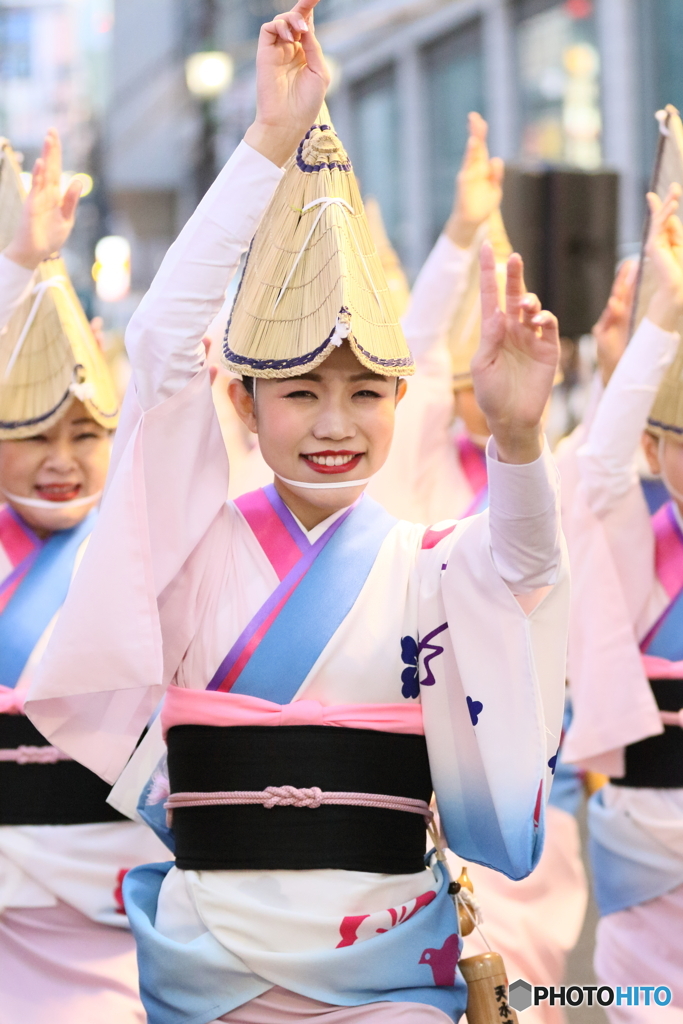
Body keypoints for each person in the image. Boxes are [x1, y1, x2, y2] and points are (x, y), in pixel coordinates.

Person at [27, 3, 569, 1022]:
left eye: (366, 392)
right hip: (208, 967)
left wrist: (517, 440)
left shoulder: (434, 560)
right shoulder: (186, 550)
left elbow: (530, 567)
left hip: (389, 963)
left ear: (399, 403)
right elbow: (157, 343)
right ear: (240, 399)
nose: (335, 421)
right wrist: (267, 145)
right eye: (301, 390)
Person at [0, 128, 164, 1024]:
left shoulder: (146, 544)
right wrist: (22, 264)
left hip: (120, 892)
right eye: (32, 435)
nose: (60, 460)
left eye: (84, 435)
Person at [566, 183, 683, 1021]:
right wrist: (655, 333)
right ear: (655, 442)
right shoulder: (643, 556)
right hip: (647, 889)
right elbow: (595, 477)